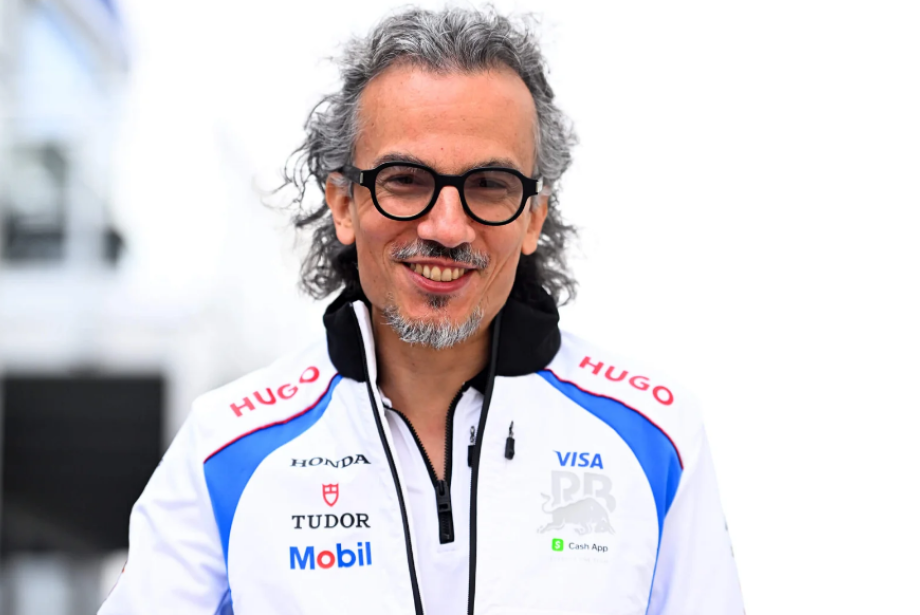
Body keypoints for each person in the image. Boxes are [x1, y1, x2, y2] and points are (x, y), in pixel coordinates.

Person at [99, 7, 743, 615]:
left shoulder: (656, 438)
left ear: (533, 218)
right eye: (405, 180)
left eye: (489, 186)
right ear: (343, 204)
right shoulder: (225, 450)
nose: (446, 227)